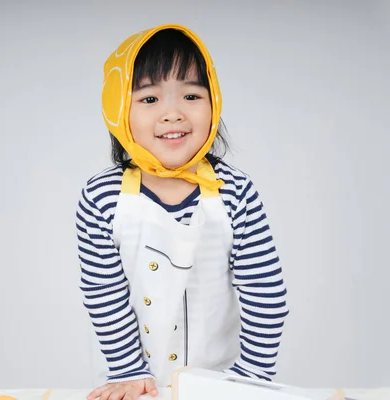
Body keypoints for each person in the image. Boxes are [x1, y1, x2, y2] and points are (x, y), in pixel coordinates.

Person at [75, 23, 289, 400]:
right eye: (149, 99)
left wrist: (250, 378)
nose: (173, 114)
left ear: (214, 103)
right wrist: (128, 371)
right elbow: (103, 292)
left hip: (223, 382)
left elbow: (265, 292)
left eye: (191, 96)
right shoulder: (101, 197)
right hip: (133, 382)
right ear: (118, 110)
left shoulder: (235, 192)